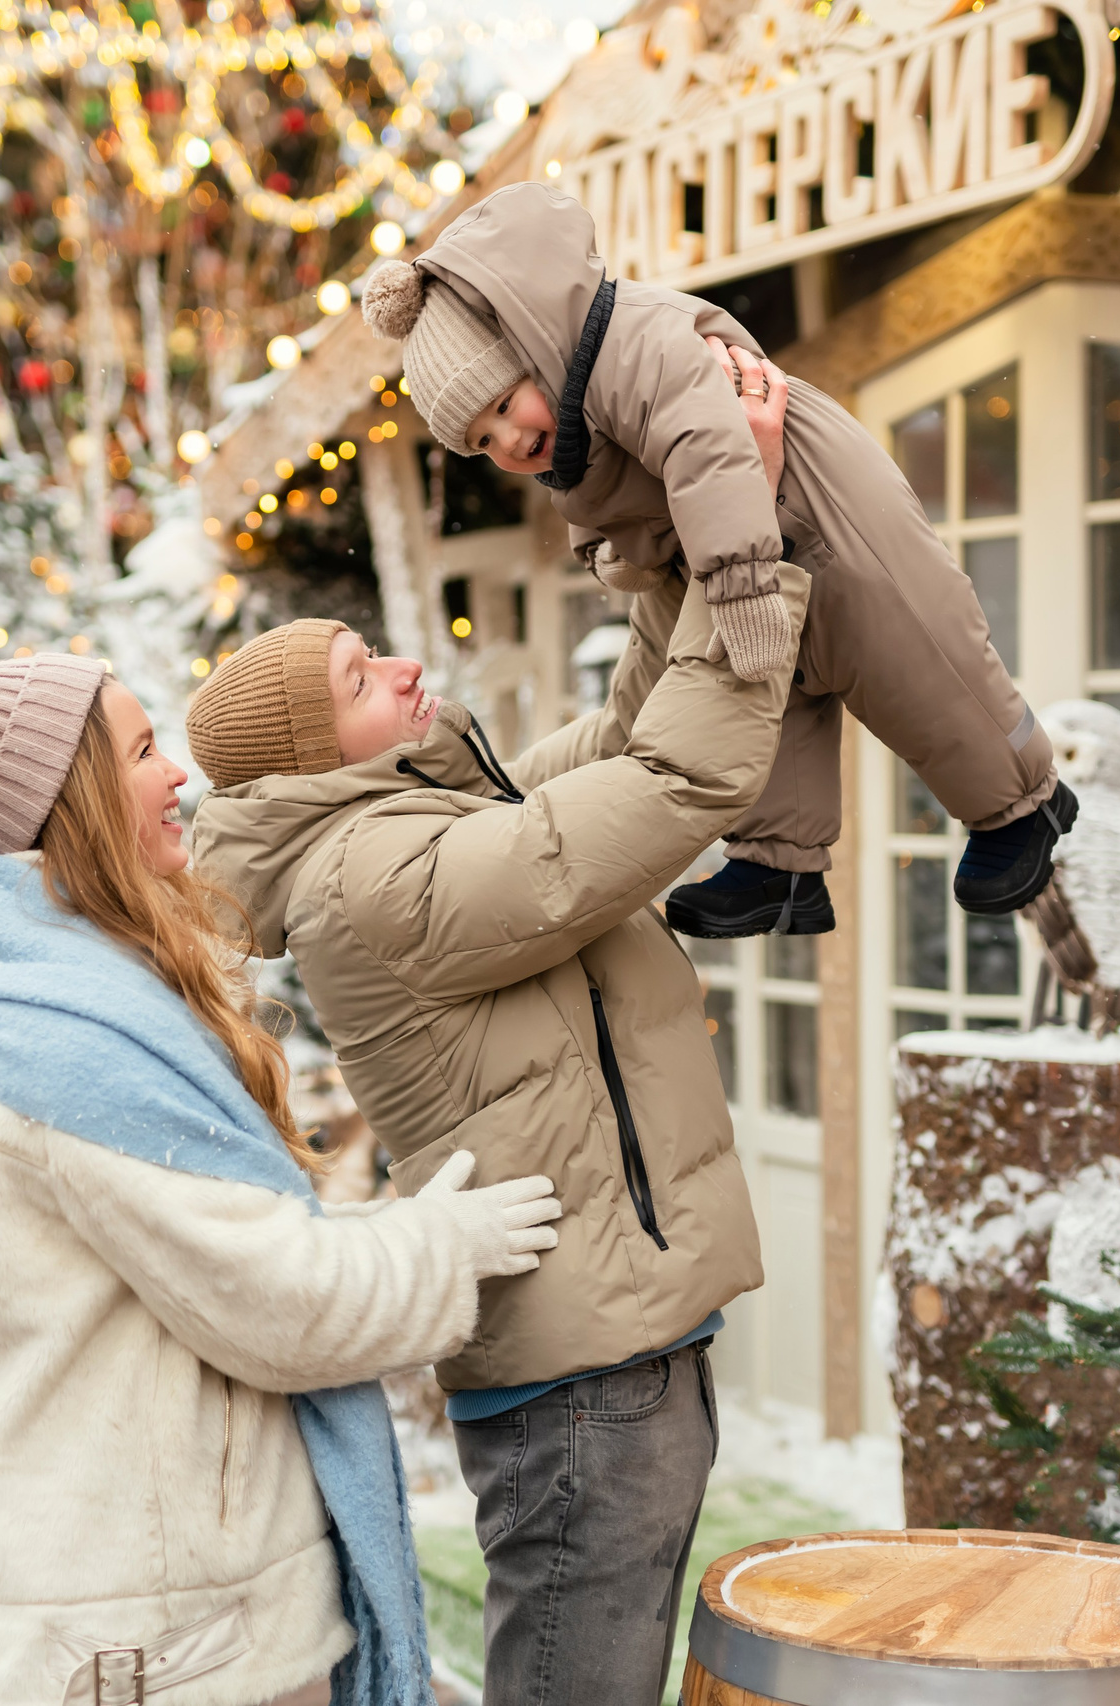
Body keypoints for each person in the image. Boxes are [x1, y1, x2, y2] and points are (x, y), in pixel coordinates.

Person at [0, 653, 566, 1706]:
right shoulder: (77, 1053)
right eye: (142, 752)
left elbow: (217, 1246)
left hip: (141, 1623)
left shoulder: (70, 1004)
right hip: (149, 1644)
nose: (178, 774)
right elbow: (276, 1298)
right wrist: (440, 1243)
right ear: (78, 804)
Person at [184, 556, 812, 1706]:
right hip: (580, 1375)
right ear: (315, 750)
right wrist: (749, 575)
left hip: (619, 1336)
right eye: (359, 676)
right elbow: (677, 777)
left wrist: (685, 555)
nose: (403, 667)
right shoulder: (377, 875)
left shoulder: (426, 824)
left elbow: (629, 731)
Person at [357, 179, 1076, 935]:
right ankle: (780, 862)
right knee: (763, 700)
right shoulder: (571, 424)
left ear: (537, 341)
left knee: (914, 657)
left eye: (503, 406)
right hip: (730, 554)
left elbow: (709, 447)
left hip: (821, 507)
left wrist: (734, 581)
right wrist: (618, 555)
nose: (507, 442)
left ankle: (1020, 803)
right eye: (480, 442)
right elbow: (607, 500)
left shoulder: (636, 340)